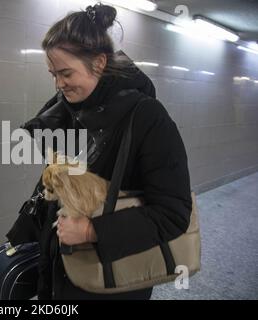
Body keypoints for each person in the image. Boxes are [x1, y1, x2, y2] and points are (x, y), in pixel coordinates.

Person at [11, 3, 192, 300]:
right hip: (60, 270)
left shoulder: (147, 118)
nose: (59, 84)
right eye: (53, 74)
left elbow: (173, 213)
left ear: (98, 63)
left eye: (66, 73)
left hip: (112, 280)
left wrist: (90, 231)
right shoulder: (67, 113)